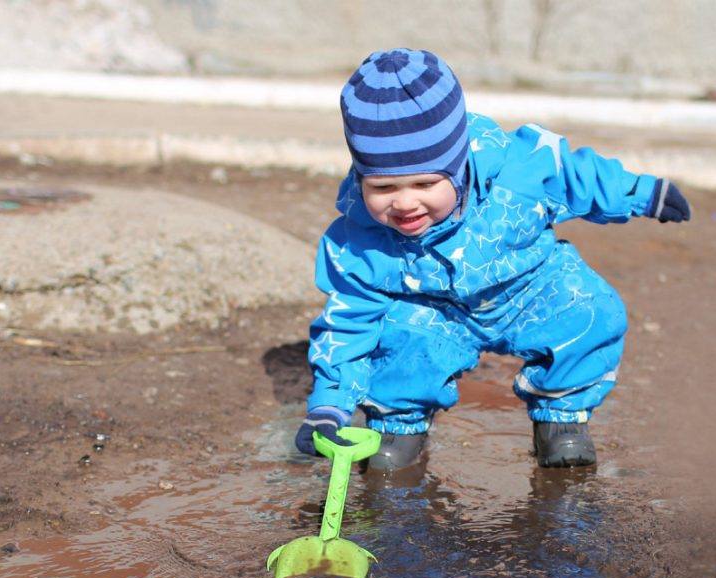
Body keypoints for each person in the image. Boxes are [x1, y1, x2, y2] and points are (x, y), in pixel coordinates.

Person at [294, 48, 690, 471]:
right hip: (434, 312)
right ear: (360, 176)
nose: (405, 203)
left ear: (457, 164)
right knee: (398, 339)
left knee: (590, 310)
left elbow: (580, 177)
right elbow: (347, 323)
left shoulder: (519, 170)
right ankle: (399, 425)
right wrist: (329, 407)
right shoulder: (361, 240)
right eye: (384, 187)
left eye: (426, 183)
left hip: (528, 288)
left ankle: (561, 418)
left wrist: (643, 193)